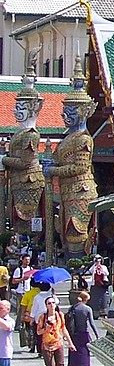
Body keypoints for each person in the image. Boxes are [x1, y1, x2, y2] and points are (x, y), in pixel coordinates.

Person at [41, 54, 97, 258]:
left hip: (81, 190)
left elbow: (80, 168)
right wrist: (47, 163)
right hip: (67, 191)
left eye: (70, 111)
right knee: (63, 231)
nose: (65, 115)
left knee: (75, 233)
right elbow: (56, 160)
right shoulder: (67, 139)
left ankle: (78, 269)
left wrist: (53, 170)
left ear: (82, 112)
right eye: (64, 110)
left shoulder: (84, 139)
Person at [2, 50, 46, 234]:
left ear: (33, 109)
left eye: (22, 107)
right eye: (16, 107)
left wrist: (4, 160)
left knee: (27, 224)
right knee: (17, 223)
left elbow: (25, 162)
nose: (16, 111)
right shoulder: (20, 132)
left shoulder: (31, 134)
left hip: (29, 181)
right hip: (19, 181)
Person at [36, 296, 75, 366]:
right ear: (46, 306)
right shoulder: (43, 317)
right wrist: (46, 328)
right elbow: (38, 332)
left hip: (58, 344)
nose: (52, 305)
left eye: (53, 303)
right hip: (47, 346)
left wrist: (70, 343)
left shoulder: (60, 315)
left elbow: (63, 329)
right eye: (49, 303)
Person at [65, 291, 99, 366]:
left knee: (73, 357)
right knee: (84, 357)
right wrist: (97, 335)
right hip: (83, 334)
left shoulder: (72, 308)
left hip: (73, 335)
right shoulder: (87, 309)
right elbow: (92, 323)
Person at [9, 253, 33, 333]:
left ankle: (26, 324)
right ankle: (18, 325)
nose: (27, 261)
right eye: (26, 260)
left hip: (28, 291)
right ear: (22, 260)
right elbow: (13, 281)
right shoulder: (18, 270)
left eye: (28, 260)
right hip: (21, 292)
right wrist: (22, 279)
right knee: (20, 309)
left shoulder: (30, 269)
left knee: (29, 309)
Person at [0, 300, 14, 366]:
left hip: (4, 353)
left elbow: (6, 327)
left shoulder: (10, 321)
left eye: (1, 308)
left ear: (7, 310)